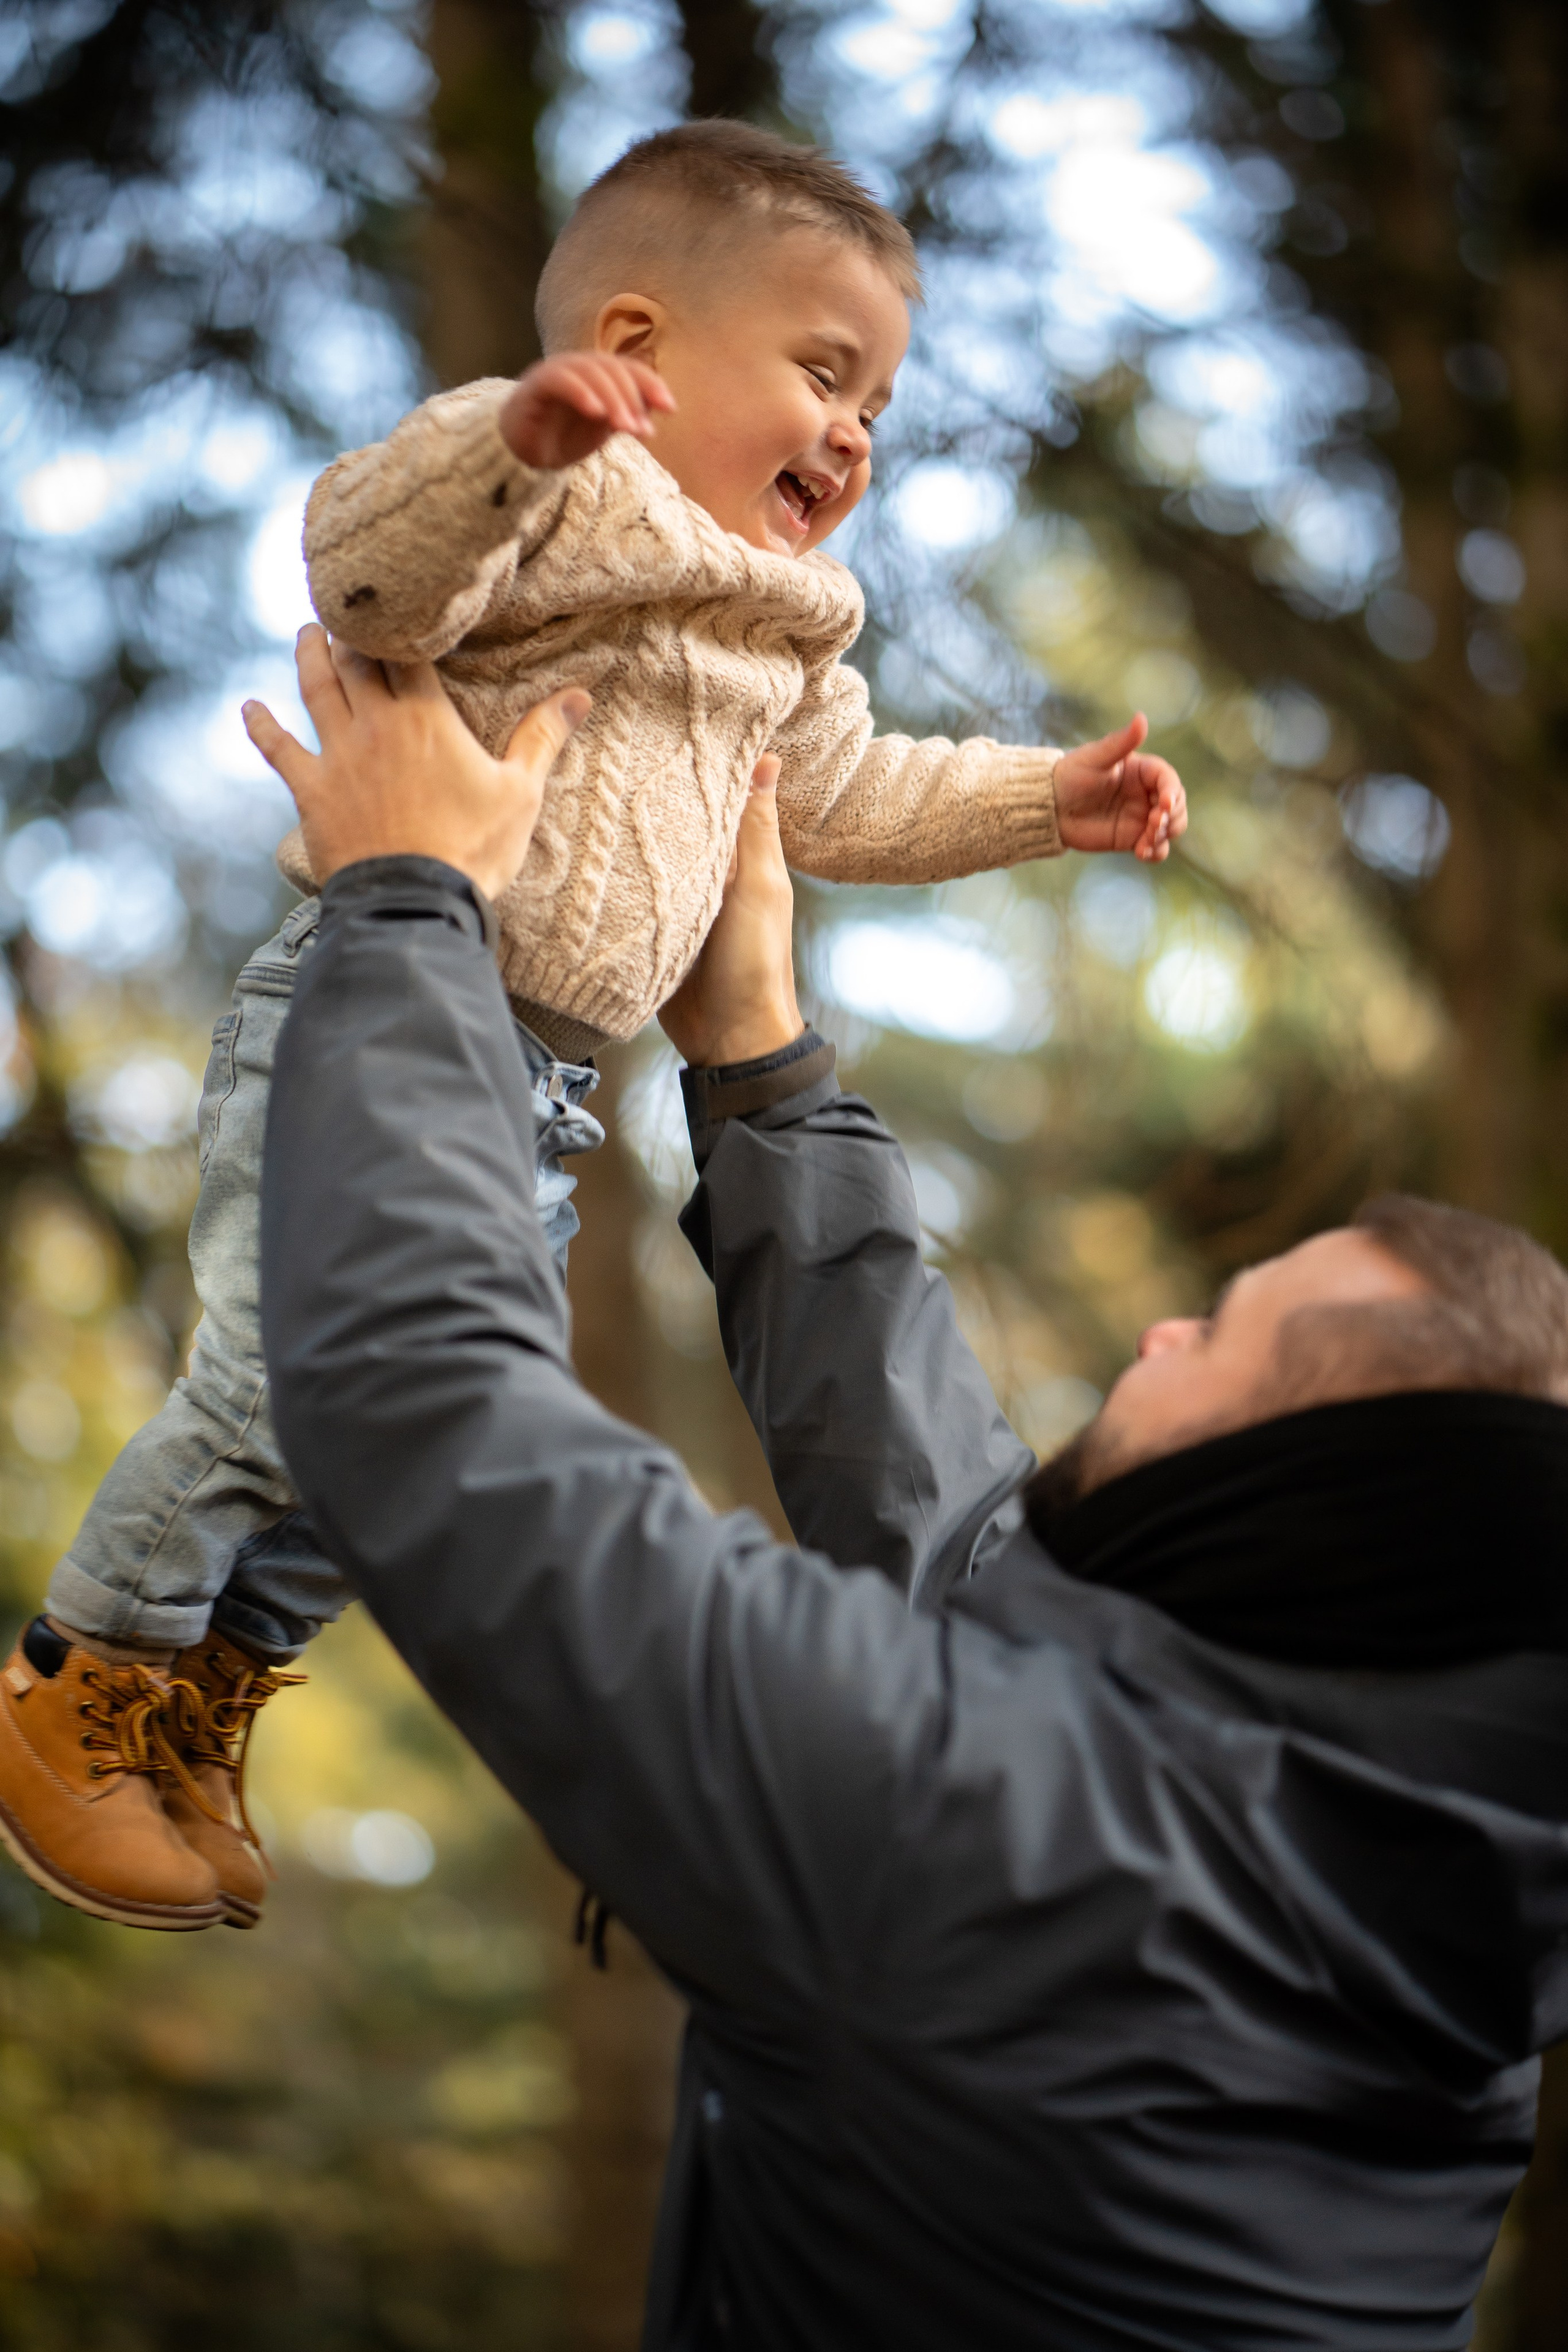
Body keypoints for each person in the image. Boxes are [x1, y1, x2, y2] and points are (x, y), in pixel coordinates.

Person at [249, 644, 1568, 2346]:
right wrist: (762, 1063)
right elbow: (980, 1577)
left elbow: (425, 1407)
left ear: (1312, 1491)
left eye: (1229, 1329)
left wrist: (407, 899)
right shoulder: (1405, 1915)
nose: (1170, 1324)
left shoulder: (970, 1853)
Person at [0, 120, 1188, 1934]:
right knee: (286, 1374)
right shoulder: (545, 498)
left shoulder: (787, 632)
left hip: (538, 1090)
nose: (858, 430)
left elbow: (850, 799)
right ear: (638, 351)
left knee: (401, 1442)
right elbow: (372, 572)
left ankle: (199, 1700)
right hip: (374, 1011)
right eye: (823, 372)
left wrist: (1050, 802)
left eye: (880, 398)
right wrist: (517, 441)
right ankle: (79, 1673)